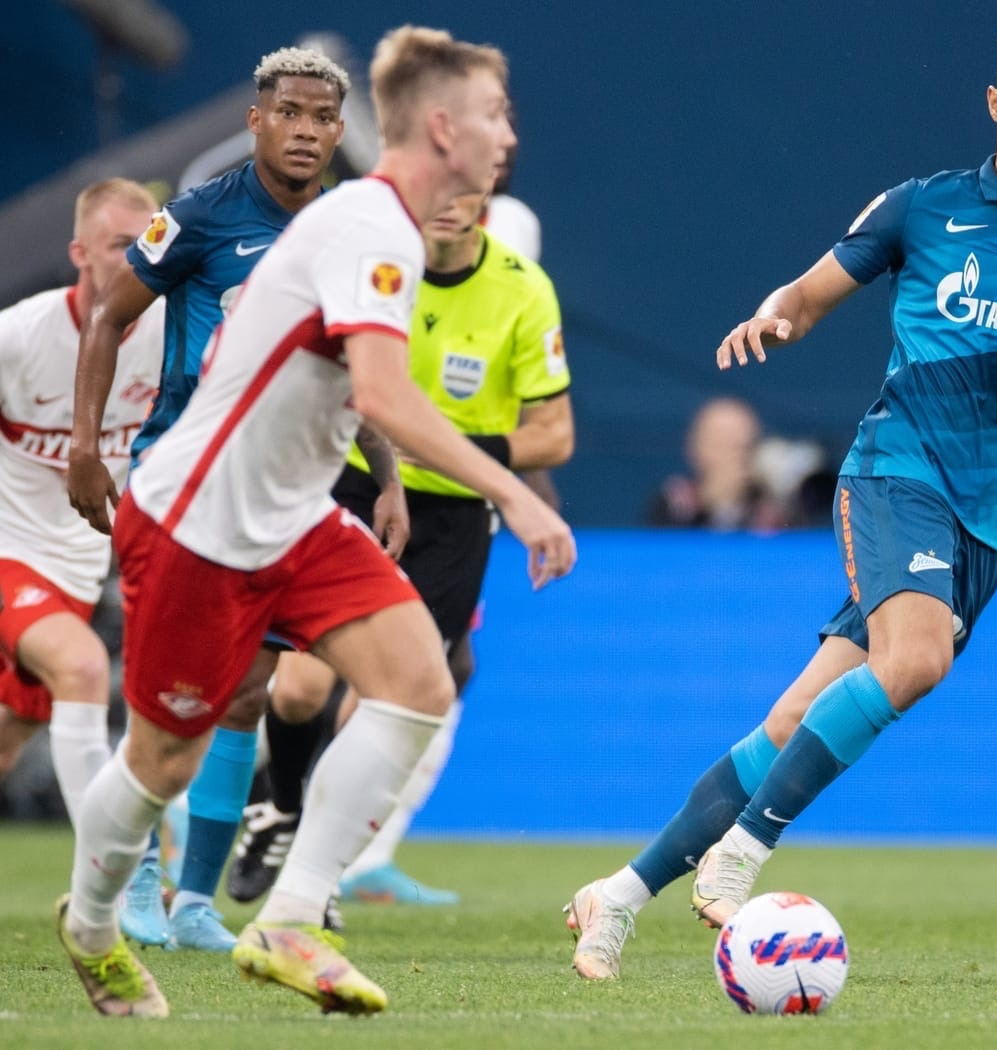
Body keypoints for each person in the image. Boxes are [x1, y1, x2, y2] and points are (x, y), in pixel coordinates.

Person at [565, 17, 997, 980]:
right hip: (897, 474)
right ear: (994, 101)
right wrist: (774, 318)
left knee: (792, 724)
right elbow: (807, 295)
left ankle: (616, 895)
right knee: (918, 658)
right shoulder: (924, 207)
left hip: (991, 523)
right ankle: (744, 851)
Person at [55, 24, 575, 1018]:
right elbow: (381, 389)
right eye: (492, 114)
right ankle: (88, 923)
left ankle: (289, 919)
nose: (508, 135)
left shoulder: (377, 224)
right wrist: (513, 491)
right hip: (198, 520)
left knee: (419, 683)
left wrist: (390, 482)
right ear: (441, 126)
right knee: (162, 761)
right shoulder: (371, 229)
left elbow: (348, 386)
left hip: (293, 516)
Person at [68, 45, 406, 955]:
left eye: (322, 118)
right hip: (181, 478)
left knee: (250, 691)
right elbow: (107, 315)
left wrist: (387, 475)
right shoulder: (198, 217)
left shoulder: (347, 226)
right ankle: (132, 881)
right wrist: (86, 448)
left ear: (340, 131)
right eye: (288, 113)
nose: (305, 131)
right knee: (164, 693)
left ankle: (194, 904)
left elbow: (353, 362)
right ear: (256, 121)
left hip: (281, 486)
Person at [235, 186, 574, 909]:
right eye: (438, 184)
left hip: (456, 515)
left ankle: (316, 873)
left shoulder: (521, 286)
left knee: (390, 699)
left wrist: (465, 460)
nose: (449, 200)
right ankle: (281, 803)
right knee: (298, 689)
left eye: (468, 185)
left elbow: (553, 434)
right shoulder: (378, 262)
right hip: (352, 482)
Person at [0, 179, 162, 826]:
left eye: (149, 244)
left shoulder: (172, 333)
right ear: (79, 253)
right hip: (11, 554)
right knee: (84, 666)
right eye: (121, 244)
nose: (138, 259)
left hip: (80, 573)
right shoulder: (19, 337)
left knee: (9, 737)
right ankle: (108, 873)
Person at [646, 396, 785, 530]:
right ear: (697, 448)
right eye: (726, 445)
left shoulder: (772, 507)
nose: (739, 457)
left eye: (748, 447)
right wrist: (713, 501)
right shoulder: (675, 503)